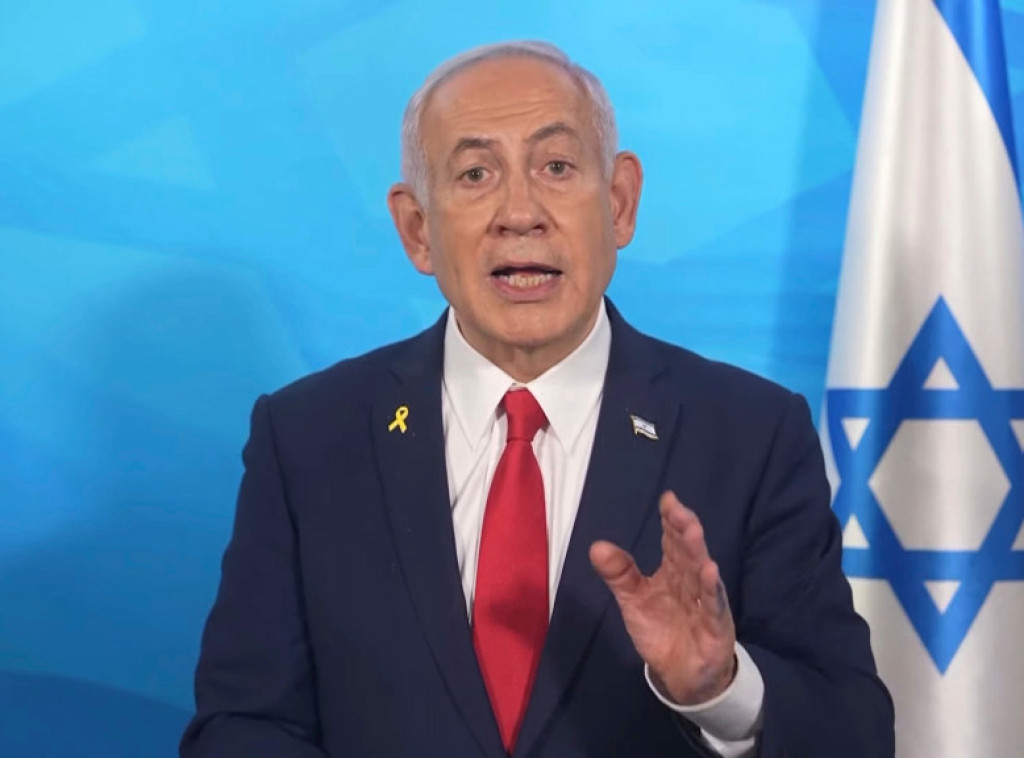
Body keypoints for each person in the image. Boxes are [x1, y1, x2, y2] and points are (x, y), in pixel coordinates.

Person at [180, 41, 894, 757]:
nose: (520, 213)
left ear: (619, 203)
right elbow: (241, 726)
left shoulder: (750, 436)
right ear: (418, 230)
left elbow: (855, 734)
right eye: (475, 173)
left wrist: (721, 689)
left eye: (556, 167)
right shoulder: (308, 438)